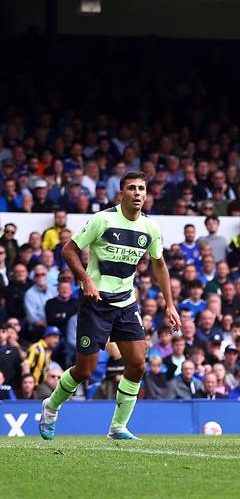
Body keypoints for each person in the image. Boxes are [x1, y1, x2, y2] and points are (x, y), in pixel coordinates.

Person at [39, 171, 181, 441]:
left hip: (126, 302)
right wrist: (86, 280)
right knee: (85, 371)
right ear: (121, 194)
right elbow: (68, 250)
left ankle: (117, 427)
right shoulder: (103, 219)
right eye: (132, 188)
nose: (137, 193)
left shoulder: (150, 228)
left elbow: (159, 264)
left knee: (138, 365)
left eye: (141, 189)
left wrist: (169, 304)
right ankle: (51, 405)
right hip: (95, 303)